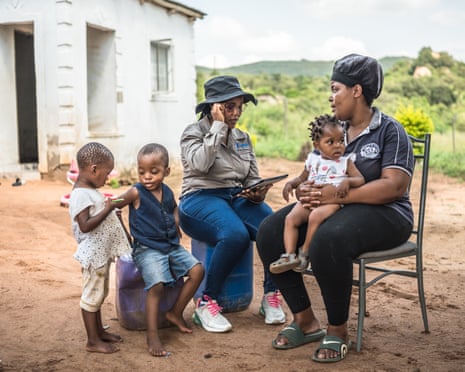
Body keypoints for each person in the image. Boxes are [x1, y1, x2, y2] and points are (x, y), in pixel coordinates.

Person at [256, 54, 414, 363]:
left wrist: (334, 197)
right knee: (269, 231)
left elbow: (394, 186)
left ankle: (337, 330)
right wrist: (305, 188)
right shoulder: (332, 131)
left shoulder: (390, 131)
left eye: (335, 88)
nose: (331, 97)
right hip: (338, 209)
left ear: (357, 91)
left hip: (388, 214)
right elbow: (313, 172)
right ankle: (305, 321)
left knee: (330, 238)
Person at [178, 75, 286, 333]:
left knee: (274, 228)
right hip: (199, 199)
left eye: (240, 106)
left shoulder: (243, 138)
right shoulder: (193, 133)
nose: (237, 113)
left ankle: (271, 296)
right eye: (230, 107)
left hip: (236, 197)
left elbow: (251, 177)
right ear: (213, 107)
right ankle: (207, 302)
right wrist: (217, 128)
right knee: (235, 234)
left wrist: (258, 192)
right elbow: (201, 165)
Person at [114, 143, 204, 357]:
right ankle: (152, 334)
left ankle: (175, 312)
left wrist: (175, 220)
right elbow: (119, 199)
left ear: (166, 171)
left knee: (198, 271)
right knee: (157, 286)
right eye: (141, 171)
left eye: (154, 172)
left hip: (170, 245)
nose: (147, 177)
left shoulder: (167, 191)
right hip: (147, 249)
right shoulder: (136, 192)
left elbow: (173, 207)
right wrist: (111, 204)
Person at [270, 114, 365, 274]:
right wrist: (291, 184)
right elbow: (302, 178)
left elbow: (360, 179)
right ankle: (289, 255)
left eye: (341, 141)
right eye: (330, 142)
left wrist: (347, 182)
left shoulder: (346, 161)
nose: (338, 146)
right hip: (310, 201)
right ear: (317, 145)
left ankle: (305, 252)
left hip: (332, 203)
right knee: (290, 218)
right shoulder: (313, 161)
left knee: (315, 216)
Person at [68, 142, 131, 354]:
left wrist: (112, 208)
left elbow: (99, 214)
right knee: (91, 296)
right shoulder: (80, 195)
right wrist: (108, 209)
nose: (108, 178)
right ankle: (92, 341)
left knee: (99, 293)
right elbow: (85, 226)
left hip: (100, 254)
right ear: (94, 169)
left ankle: (99, 332)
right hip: (93, 255)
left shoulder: (90, 191)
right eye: (106, 173)